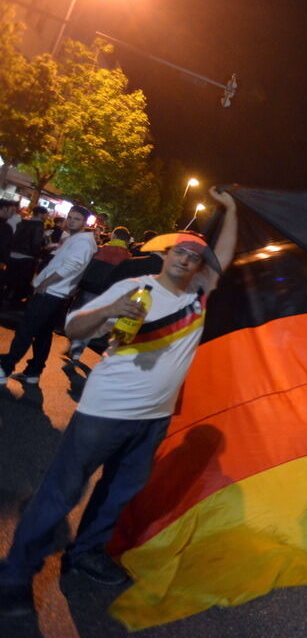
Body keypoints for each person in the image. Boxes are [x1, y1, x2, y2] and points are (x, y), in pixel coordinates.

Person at [0, 188, 237, 618]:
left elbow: (225, 253)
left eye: (195, 257)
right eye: (181, 252)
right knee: (62, 491)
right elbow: (73, 328)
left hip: (155, 419)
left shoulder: (197, 297)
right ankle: (14, 574)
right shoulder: (136, 286)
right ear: (167, 254)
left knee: (117, 493)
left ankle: (86, 555)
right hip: (105, 412)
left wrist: (233, 210)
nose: (186, 260)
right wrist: (108, 314)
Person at [0, 206, 96, 383]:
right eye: (70, 217)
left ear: (84, 223)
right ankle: (33, 371)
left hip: (51, 292)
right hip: (58, 294)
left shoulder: (83, 241)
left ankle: (6, 367)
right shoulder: (76, 239)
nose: (71, 221)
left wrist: (45, 283)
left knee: (26, 330)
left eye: (77, 219)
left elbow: (71, 266)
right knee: (43, 334)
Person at [66, 226, 134, 360]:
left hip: (89, 289)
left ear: (113, 236)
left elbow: (87, 269)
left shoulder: (101, 249)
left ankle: (73, 344)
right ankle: (79, 348)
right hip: (107, 295)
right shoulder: (128, 258)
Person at [2, 205, 47, 307]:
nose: (46, 216)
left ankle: (5, 298)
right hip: (27, 257)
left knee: (10, 280)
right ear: (40, 214)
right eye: (45, 214)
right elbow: (35, 243)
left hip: (13, 255)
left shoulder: (22, 222)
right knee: (21, 282)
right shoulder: (39, 226)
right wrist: (38, 255)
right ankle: (14, 303)